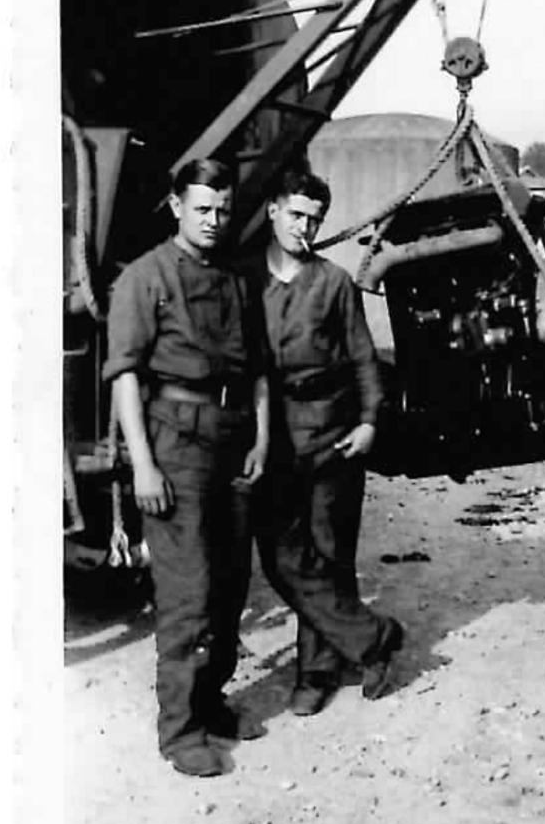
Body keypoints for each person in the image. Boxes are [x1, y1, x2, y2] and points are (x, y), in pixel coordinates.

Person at [104, 158, 270, 778]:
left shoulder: (233, 279)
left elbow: (255, 371)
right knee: (188, 592)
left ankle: (211, 701)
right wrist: (143, 466)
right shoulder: (145, 278)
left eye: (223, 209)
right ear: (176, 206)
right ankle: (179, 730)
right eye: (202, 208)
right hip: (176, 442)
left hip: (231, 440)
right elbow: (124, 376)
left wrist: (260, 439)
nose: (213, 220)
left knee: (229, 585)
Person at [251, 171, 403, 715]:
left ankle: (315, 673)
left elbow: (363, 356)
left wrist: (368, 421)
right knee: (281, 557)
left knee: (328, 552)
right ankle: (372, 638)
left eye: (314, 219)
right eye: (295, 215)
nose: (304, 228)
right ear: (272, 211)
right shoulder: (247, 282)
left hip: (332, 431)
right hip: (272, 435)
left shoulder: (334, 282)